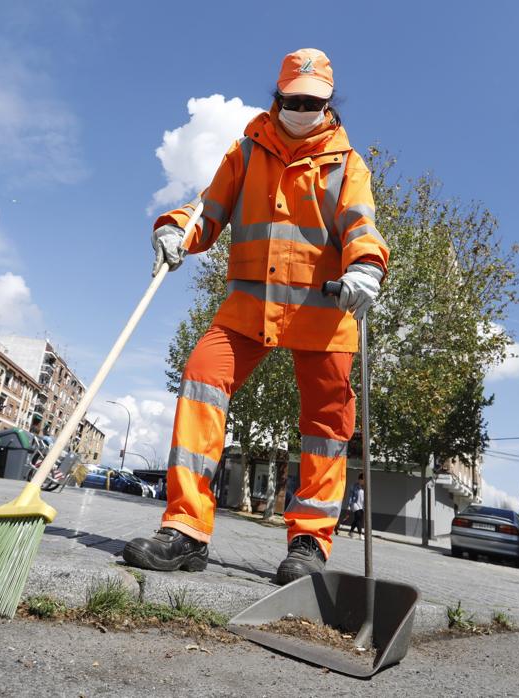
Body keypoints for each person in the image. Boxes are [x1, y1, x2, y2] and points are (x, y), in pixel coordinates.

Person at [123, 48, 389, 585]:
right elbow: (207, 210)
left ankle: (309, 544)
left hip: (325, 313)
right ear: (277, 97)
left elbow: (362, 225)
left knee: (326, 424)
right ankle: (186, 531)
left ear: (328, 104)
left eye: (311, 102)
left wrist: (366, 267)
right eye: (292, 99)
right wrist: (175, 228)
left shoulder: (348, 165)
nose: (300, 108)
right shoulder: (245, 152)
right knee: (202, 376)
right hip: (250, 306)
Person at [346, 472, 365, 539]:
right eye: (362, 479)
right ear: (359, 479)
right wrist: (348, 505)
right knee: (358, 517)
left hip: (362, 505)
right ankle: (360, 534)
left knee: (358, 519)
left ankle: (350, 532)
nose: (363, 481)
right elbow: (350, 496)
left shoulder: (365, 487)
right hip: (354, 503)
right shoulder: (354, 486)